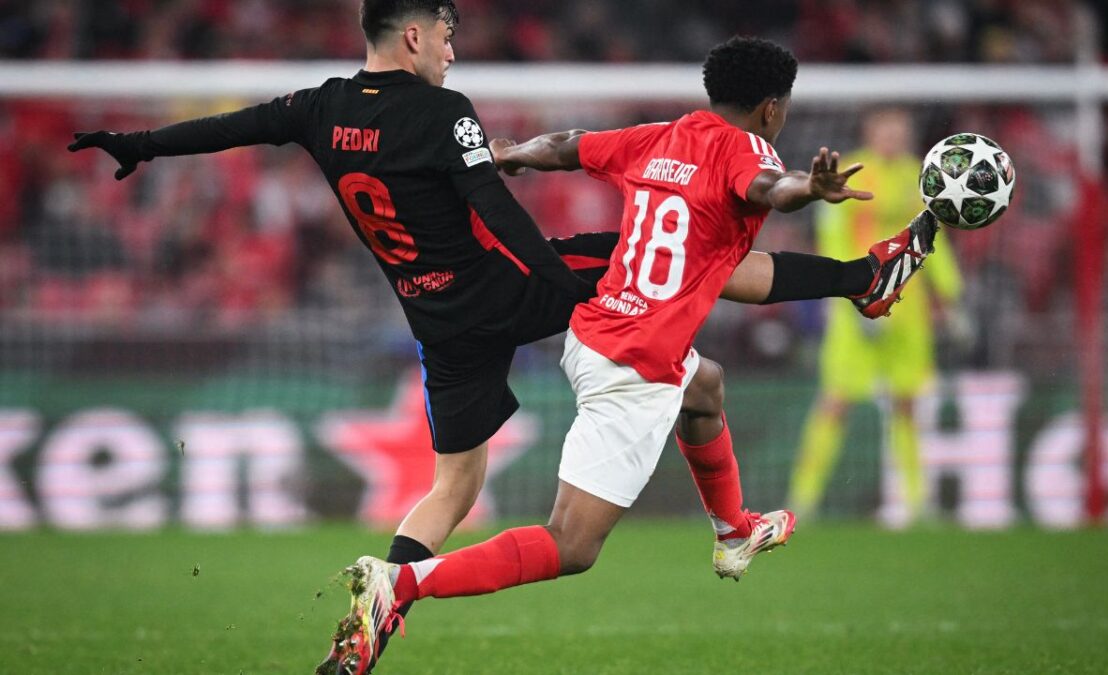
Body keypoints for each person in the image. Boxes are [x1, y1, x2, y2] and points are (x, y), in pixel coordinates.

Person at [67, 0, 932, 586]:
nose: (453, 48)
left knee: (456, 483)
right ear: (412, 38)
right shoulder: (447, 114)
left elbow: (234, 126)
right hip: (510, 289)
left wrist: (142, 144)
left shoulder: (318, 107)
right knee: (665, 264)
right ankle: (862, 280)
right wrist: (562, 279)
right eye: (445, 34)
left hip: (432, 319)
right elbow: (498, 211)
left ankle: (377, 610)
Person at [323, 36, 941, 674]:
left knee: (705, 386)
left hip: (596, 330)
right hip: (636, 364)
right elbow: (765, 187)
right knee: (572, 545)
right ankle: (402, 584)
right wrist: (805, 189)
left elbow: (567, 144)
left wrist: (511, 157)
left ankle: (733, 531)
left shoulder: (660, 137)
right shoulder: (749, 149)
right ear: (771, 109)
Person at [787, 107, 963, 525]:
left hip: (909, 309)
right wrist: (845, 293)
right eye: (885, 129)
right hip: (857, 306)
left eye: (900, 130)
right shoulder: (850, 174)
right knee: (835, 403)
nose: (893, 136)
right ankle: (803, 500)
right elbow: (833, 236)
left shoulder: (919, 177)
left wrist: (952, 300)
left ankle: (918, 505)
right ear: (870, 131)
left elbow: (933, 240)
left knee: (906, 404)